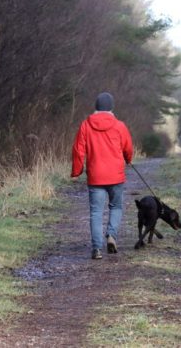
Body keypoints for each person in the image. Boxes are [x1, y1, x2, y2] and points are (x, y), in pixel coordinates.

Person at [71, 92, 133, 259]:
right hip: (116, 176)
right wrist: (128, 159)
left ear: (96, 108)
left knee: (96, 212)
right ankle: (111, 236)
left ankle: (97, 248)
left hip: (96, 176)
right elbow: (128, 147)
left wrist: (76, 171)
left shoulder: (86, 125)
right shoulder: (120, 126)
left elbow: (78, 150)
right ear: (111, 108)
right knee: (116, 207)